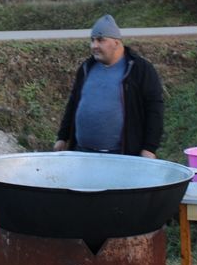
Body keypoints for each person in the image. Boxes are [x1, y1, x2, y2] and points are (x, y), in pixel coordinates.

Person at [53, 14, 164, 158]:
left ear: (117, 43)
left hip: (121, 155)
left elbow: (154, 109)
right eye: (92, 40)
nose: (94, 46)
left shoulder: (139, 69)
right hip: (81, 153)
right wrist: (63, 137)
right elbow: (73, 103)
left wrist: (149, 148)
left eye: (100, 40)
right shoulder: (86, 67)